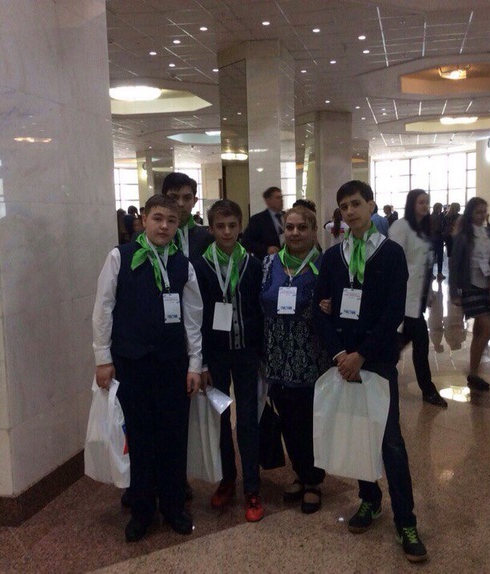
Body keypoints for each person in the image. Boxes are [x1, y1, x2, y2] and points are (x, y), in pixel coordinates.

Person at [315, 180, 428, 563]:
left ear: (371, 205)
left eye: (356, 204)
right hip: (343, 360)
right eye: (344, 206)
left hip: (376, 360)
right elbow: (320, 308)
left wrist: (361, 355)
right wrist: (340, 354)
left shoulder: (391, 253)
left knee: (390, 441)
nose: (350, 212)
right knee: (358, 431)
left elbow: (393, 310)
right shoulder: (334, 256)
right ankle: (369, 498)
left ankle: (406, 520)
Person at [92, 194, 203, 542]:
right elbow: (103, 308)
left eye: (171, 220)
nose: (164, 226)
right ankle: (142, 510)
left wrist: (195, 364)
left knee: (173, 437)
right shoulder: (120, 257)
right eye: (158, 218)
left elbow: (193, 318)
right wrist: (103, 358)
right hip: (132, 363)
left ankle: (173, 506)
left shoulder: (183, 264)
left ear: (178, 224)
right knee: (138, 438)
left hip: (172, 365)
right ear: (143, 218)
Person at [194, 200, 264, 522]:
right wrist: (202, 363)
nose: (226, 232)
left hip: (247, 354)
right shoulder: (199, 266)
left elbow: (259, 311)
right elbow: (195, 316)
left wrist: (262, 354)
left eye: (232, 225)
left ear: (240, 226)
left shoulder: (253, 264)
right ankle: (227, 479)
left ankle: (252, 487)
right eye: (220, 226)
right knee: (221, 419)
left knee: (248, 420)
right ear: (210, 229)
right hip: (216, 358)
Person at [260, 206, 329, 515]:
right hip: (276, 358)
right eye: (290, 227)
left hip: (311, 358)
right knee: (287, 421)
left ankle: (313, 480)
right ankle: (300, 472)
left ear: (313, 231)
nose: (295, 233)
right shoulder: (269, 264)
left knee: (310, 421)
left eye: (302, 227)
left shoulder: (324, 265)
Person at [389, 190, 447, 408]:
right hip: (404, 298)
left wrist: (429, 293)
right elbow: (394, 262)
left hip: (417, 299)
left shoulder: (423, 230)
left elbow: (424, 265)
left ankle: (376, 369)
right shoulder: (401, 227)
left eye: (427, 202)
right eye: (421, 202)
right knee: (420, 343)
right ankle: (428, 390)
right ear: (411, 204)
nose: (425, 206)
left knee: (400, 344)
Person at [449, 197, 490, 392]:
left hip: (485, 285)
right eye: (478, 211)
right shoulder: (463, 236)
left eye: (484, 211)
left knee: (479, 332)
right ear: (470, 213)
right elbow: (454, 264)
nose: (482, 215)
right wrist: (454, 292)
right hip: (470, 286)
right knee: (489, 329)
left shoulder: (488, 233)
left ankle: (474, 372)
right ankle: (473, 372)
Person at [161, 172, 213, 261]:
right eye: (174, 197)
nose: (180, 204)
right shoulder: (149, 237)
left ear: (194, 201)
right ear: (162, 199)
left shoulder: (206, 238)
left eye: (187, 198)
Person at [242, 186, 285, 260]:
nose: (281, 200)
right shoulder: (257, 220)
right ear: (268, 200)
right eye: (278, 198)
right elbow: (246, 242)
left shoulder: (287, 216)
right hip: (267, 260)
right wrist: (266, 249)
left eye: (281, 197)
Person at [429, 202, 445, 280]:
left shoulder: (430, 217)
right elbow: (439, 228)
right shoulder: (439, 217)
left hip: (431, 239)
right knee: (440, 257)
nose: (441, 209)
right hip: (438, 239)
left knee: (432, 257)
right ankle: (439, 273)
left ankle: (430, 274)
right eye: (440, 208)